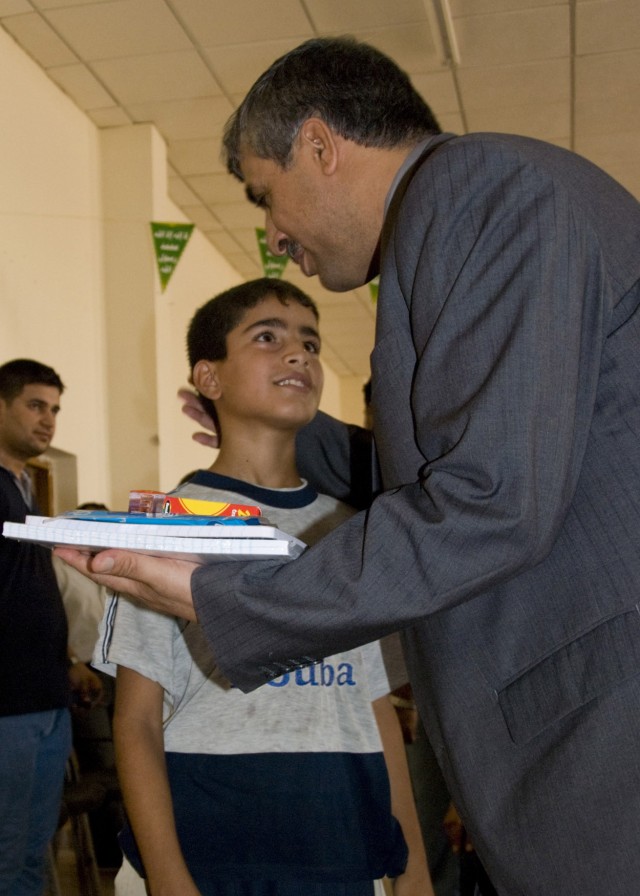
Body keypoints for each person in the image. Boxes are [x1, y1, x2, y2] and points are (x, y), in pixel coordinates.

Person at [55, 37, 640, 895]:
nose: (273, 232)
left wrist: (223, 596)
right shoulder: (471, 210)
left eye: (267, 195)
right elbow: (478, 452)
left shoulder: (489, 196)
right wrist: (304, 435)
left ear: (321, 147)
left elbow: (493, 499)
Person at [94, 278, 432, 896]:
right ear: (210, 378)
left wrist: (411, 875)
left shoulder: (359, 531)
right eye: (267, 338)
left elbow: (375, 707)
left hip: (338, 848)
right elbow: (137, 720)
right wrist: (169, 879)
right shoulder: (166, 525)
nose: (298, 354)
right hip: (209, 852)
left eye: (309, 341)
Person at [0, 358, 101, 895]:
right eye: (35, 406)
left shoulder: (24, 488)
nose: (48, 421)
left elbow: (29, 595)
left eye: (55, 409)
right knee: (6, 859)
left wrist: (69, 663)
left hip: (46, 699)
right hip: (7, 709)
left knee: (32, 858)